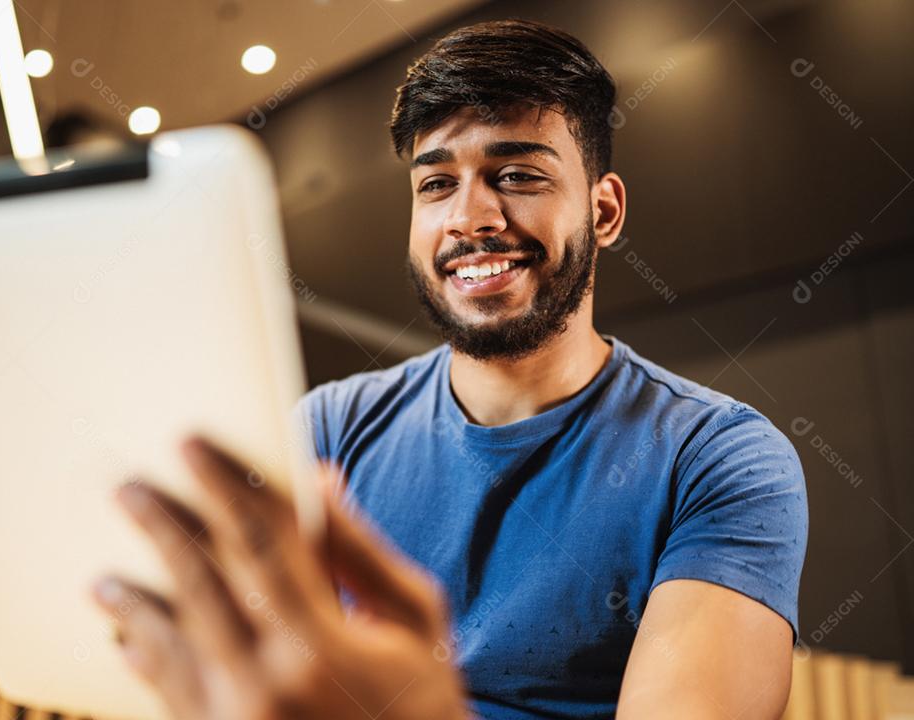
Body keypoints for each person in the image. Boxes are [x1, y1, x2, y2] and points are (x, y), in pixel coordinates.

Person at [91, 19, 809, 720]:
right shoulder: (329, 429)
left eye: (519, 174)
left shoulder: (719, 460)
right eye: (436, 184)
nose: (470, 216)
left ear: (605, 210)